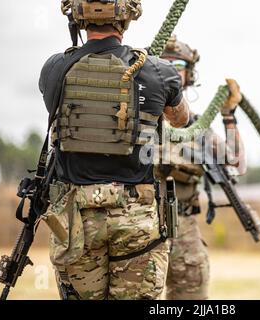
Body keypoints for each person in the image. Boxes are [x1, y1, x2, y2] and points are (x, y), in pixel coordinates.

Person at [38, 0, 191, 300]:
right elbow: (181, 119)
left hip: (77, 221)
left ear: (79, 18)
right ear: (127, 18)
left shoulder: (55, 68)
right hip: (136, 220)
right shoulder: (159, 71)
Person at [158, 36, 247, 300]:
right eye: (166, 63)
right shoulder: (137, 117)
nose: (173, 69)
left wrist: (229, 117)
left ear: (189, 73)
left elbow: (236, 163)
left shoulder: (198, 127)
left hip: (183, 224)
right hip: (140, 220)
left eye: (179, 64)